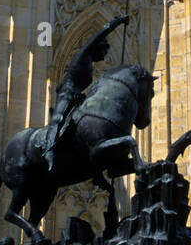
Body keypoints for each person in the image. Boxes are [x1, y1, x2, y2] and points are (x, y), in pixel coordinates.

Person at [35, 14, 129, 174]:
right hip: (66, 95)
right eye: (104, 50)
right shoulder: (83, 55)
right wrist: (118, 21)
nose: (105, 55)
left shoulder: (90, 64)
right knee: (58, 119)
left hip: (78, 99)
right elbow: (101, 33)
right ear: (97, 47)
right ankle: (48, 151)